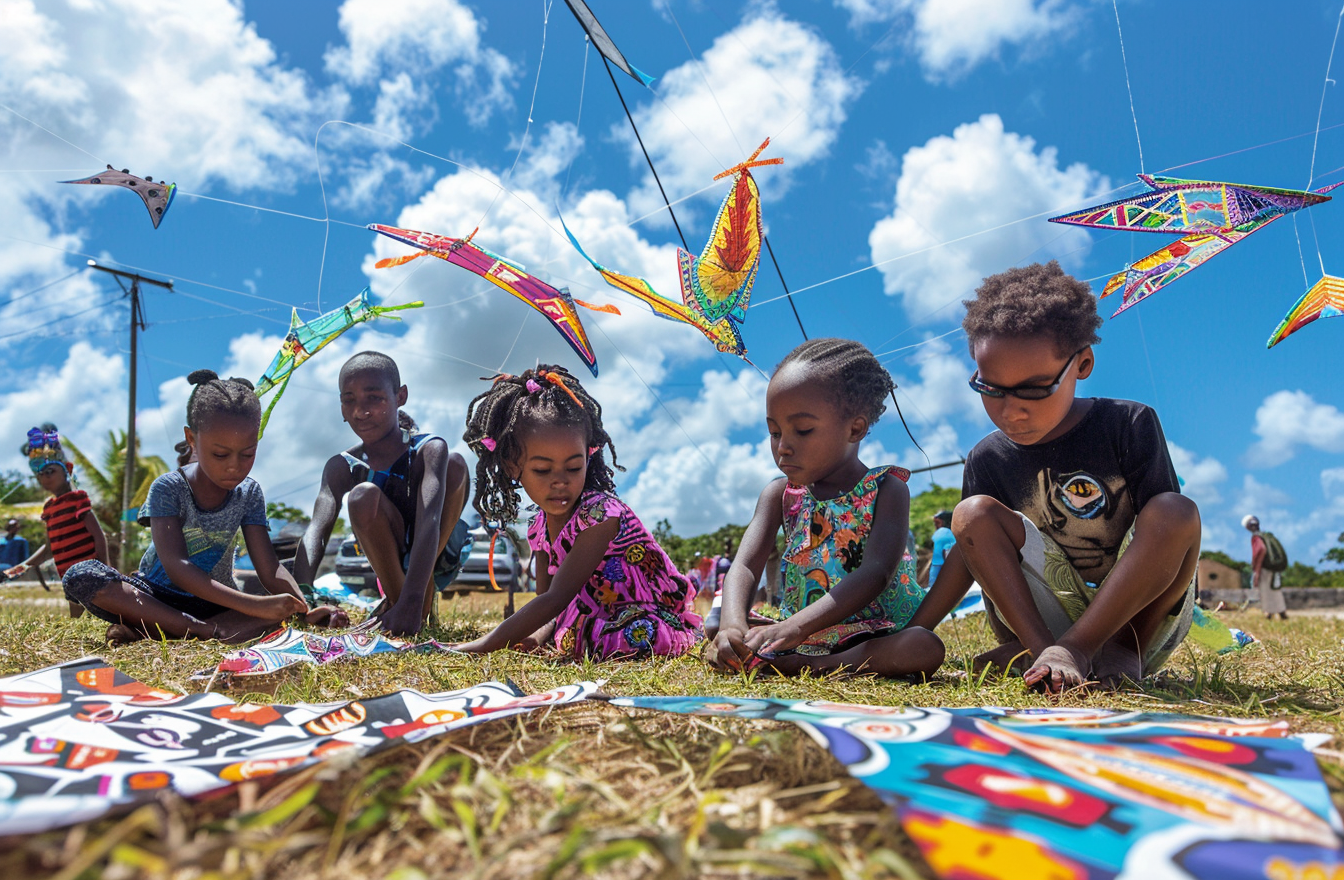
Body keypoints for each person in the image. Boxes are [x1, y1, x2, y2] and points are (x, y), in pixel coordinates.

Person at [910, 262, 1200, 693]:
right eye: (991, 389)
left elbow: (1168, 544)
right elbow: (969, 554)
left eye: (1033, 389)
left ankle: (1105, 650)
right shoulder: (987, 459)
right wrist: (915, 630)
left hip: (1136, 621)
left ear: (1082, 364)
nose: (1011, 410)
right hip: (1041, 622)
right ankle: (1042, 652)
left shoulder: (1129, 424)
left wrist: (1122, 640)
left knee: (1176, 511)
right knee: (970, 514)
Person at [708, 338, 944, 678]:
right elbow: (745, 565)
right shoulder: (780, 494)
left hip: (872, 629)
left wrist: (795, 628)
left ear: (855, 428)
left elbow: (875, 574)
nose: (783, 447)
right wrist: (733, 625)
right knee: (716, 623)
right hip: (796, 630)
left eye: (802, 430)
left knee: (921, 646)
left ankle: (812, 666)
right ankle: (779, 653)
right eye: (774, 432)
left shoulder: (887, 489)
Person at [62, 370, 348, 644]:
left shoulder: (249, 493)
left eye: (248, 453)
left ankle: (154, 629)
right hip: (156, 596)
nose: (234, 466)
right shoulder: (168, 488)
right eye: (220, 454)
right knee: (83, 576)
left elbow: (269, 567)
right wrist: (253, 606)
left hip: (215, 602)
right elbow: (177, 566)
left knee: (279, 616)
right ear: (191, 439)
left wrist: (304, 608)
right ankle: (199, 630)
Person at [452, 365, 701, 658]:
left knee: (625, 638)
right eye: (542, 470)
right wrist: (536, 636)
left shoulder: (601, 516)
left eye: (574, 467)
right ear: (511, 465)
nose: (560, 481)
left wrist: (482, 645)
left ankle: (701, 631)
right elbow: (547, 602)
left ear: (589, 456)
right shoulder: (537, 527)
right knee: (576, 636)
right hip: (590, 618)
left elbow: (556, 599)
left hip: (645, 613)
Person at [292, 352, 471, 637]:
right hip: (389, 559)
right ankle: (403, 602)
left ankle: (410, 603)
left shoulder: (428, 449)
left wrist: (411, 601)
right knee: (362, 496)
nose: (360, 411)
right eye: (348, 400)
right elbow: (317, 530)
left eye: (374, 398)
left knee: (455, 464)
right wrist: (302, 599)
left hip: (434, 554)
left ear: (401, 396)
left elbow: (431, 520)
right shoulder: (343, 466)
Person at [4, 427, 107, 616]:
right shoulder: (49, 509)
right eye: (40, 475)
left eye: (50, 471)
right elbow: (49, 548)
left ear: (66, 470)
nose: (44, 478)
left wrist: (105, 570)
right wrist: (15, 570)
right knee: (76, 619)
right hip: (67, 577)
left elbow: (98, 536)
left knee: (102, 611)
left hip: (90, 573)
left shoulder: (78, 500)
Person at [1243, 515, 1288, 620]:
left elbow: (1261, 550)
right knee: (1274, 589)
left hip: (1264, 568)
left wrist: (1256, 570)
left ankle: (1270, 613)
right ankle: (1281, 612)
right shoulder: (1266, 535)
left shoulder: (1256, 537)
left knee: (1266, 591)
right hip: (1273, 567)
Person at [928, 509, 956, 588]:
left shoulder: (941, 532)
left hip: (937, 568)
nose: (935, 526)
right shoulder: (951, 533)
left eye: (937, 523)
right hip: (945, 568)